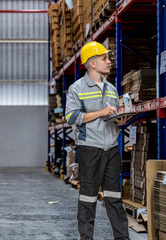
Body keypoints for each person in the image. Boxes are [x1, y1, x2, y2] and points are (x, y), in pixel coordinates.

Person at [65, 41, 129, 240]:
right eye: (104, 59)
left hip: (112, 148)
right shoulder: (77, 88)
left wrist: (120, 120)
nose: (109, 62)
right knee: (88, 198)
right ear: (92, 63)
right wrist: (101, 112)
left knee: (114, 198)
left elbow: (111, 118)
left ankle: (122, 238)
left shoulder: (111, 88)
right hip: (89, 149)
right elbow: (71, 117)